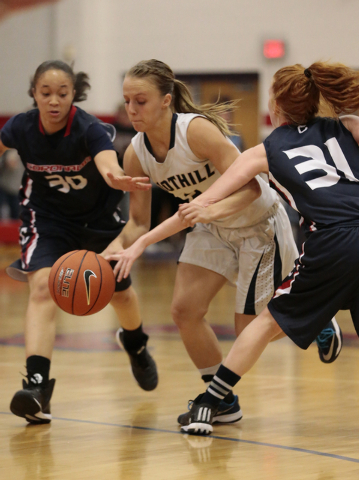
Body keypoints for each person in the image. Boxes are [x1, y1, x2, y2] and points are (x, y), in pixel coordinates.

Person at [173, 61, 359, 435]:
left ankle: (208, 404)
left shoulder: (263, 151)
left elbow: (210, 197)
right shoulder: (346, 126)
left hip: (335, 238)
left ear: (275, 105)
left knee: (269, 320)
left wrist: (187, 213)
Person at [104, 59, 343, 428]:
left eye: (141, 101)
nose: (132, 110)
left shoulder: (196, 132)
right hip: (210, 228)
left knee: (249, 333)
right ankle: (223, 400)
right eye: (127, 101)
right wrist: (113, 250)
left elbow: (252, 186)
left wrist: (210, 211)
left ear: (166, 100)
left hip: (257, 224)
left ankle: (315, 318)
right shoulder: (135, 153)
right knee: (185, 311)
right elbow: (138, 222)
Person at [0, 60, 158, 425]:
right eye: (46, 93)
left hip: (98, 222)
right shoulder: (21, 127)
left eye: (62, 93)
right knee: (41, 289)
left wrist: (116, 177)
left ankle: (135, 344)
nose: (54, 100)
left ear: (74, 95)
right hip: (48, 220)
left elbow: (107, 162)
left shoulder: (89, 129)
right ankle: (37, 386)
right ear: (34, 95)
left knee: (119, 293)